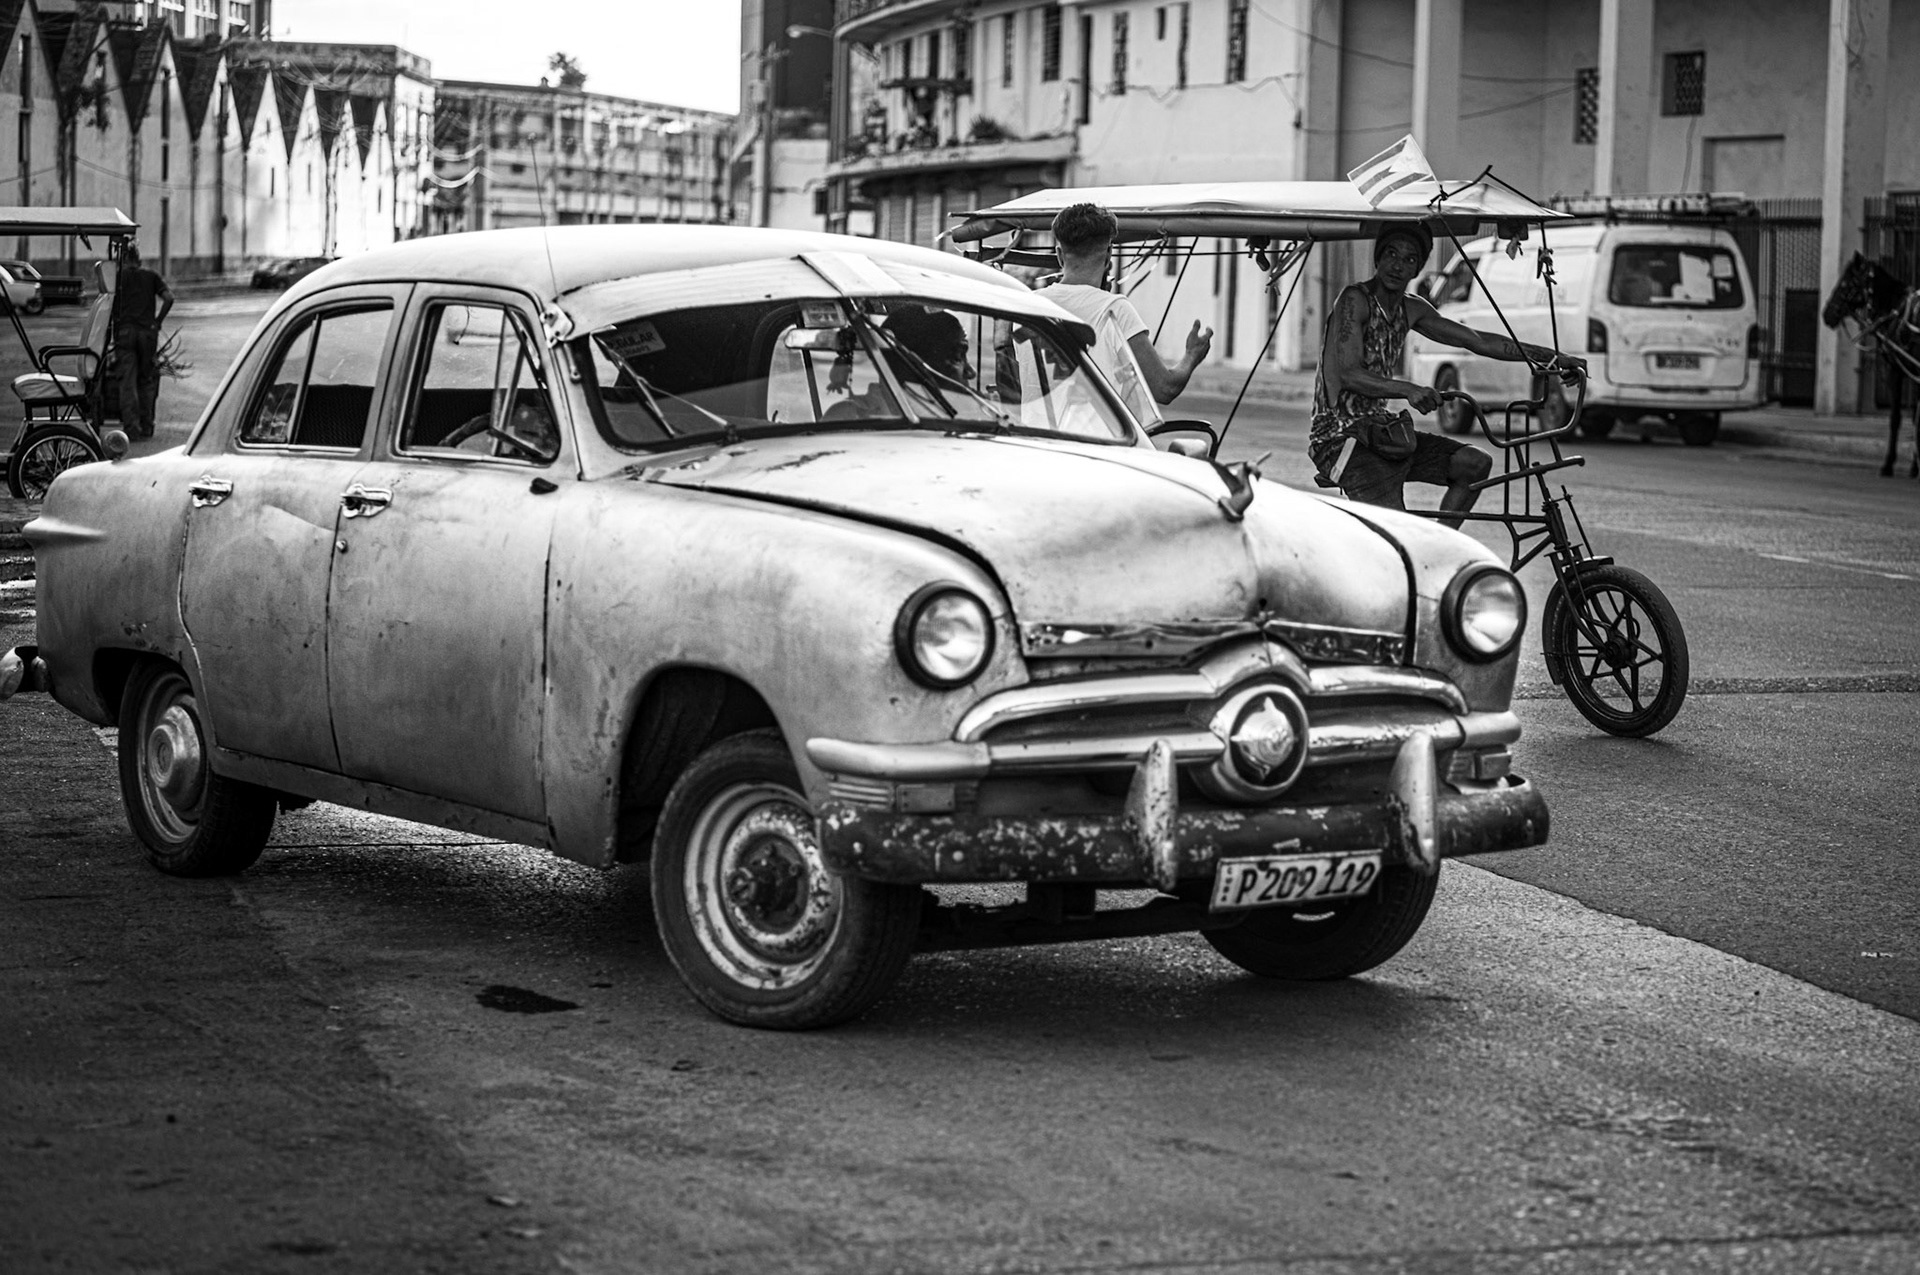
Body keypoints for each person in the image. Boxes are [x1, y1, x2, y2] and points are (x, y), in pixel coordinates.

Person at [1309, 223, 1584, 528]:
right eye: (1391, 254)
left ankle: (1439, 545)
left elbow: (1477, 340)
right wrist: (1409, 390)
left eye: (1410, 259)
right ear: (1378, 258)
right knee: (1395, 531)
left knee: (1474, 464)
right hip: (1340, 439)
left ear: (1418, 269)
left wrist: (1552, 357)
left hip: (1382, 432)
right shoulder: (1354, 299)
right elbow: (1349, 374)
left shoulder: (1411, 308)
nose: (1398, 266)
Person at [1036, 202, 1212, 427]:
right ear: (1109, 254)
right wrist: (1192, 356)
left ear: (1060, 255)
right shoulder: (1115, 309)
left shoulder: (1026, 303)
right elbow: (1164, 388)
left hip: (1035, 441)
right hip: (1096, 444)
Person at [825, 306, 973, 421]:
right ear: (912, 364)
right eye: (957, 357)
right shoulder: (851, 418)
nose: (971, 373)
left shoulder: (974, 416)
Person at [112, 244, 174, 440]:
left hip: (125, 334)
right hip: (147, 334)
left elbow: (108, 306)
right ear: (138, 259)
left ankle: (132, 429)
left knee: (127, 383)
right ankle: (147, 426)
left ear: (123, 260)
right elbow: (169, 298)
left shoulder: (117, 278)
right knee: (146, 380)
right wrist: (157, 322)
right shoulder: (151, 276)